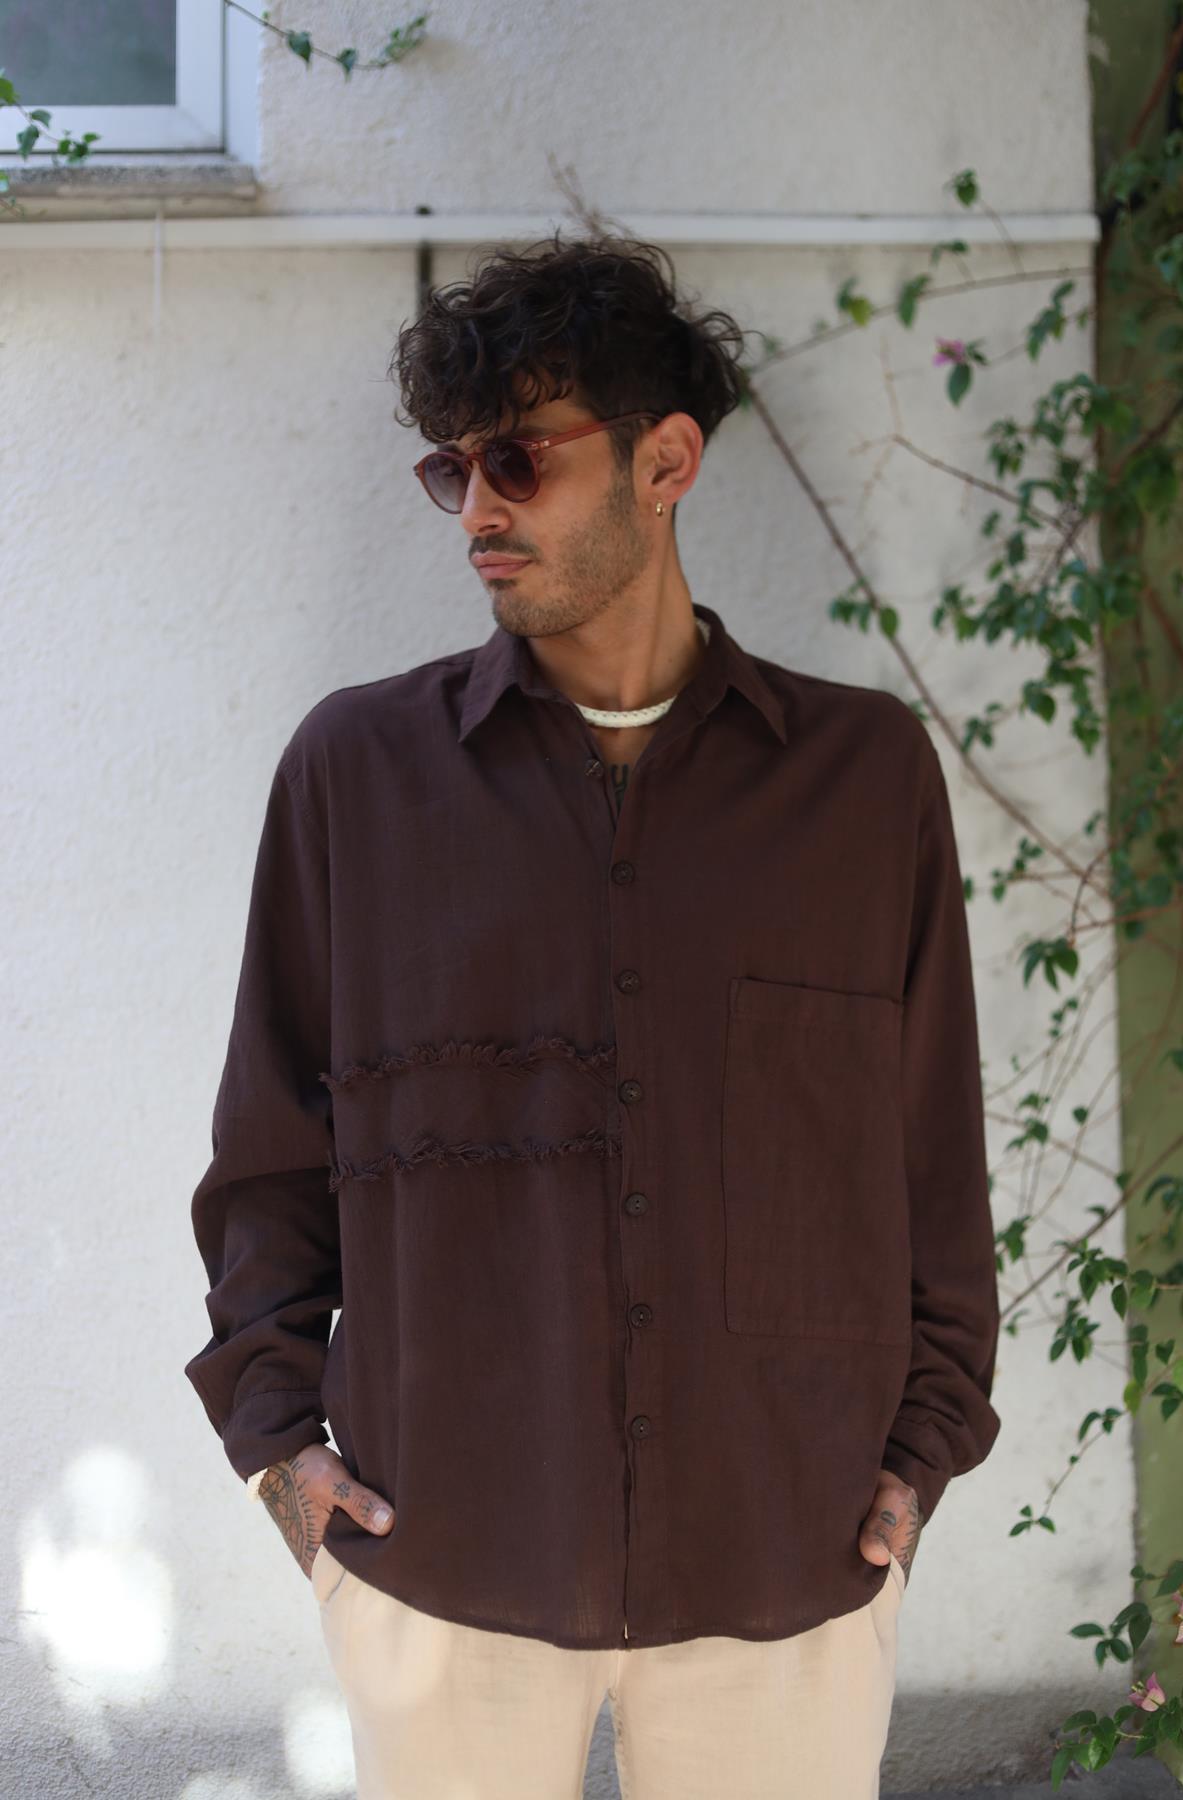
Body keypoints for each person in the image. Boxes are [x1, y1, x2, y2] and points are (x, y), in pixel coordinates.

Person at [185, 229, 1001, 1799]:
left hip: (790, 1563)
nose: (478, 512)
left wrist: (922, 1460)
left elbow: (928, 1164)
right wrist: (284, 1460)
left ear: (665, 462)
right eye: (454, 470)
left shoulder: (860, 783)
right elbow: (269, 1159)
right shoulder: (358, 778)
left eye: (519, 460)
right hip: (444, 1564)